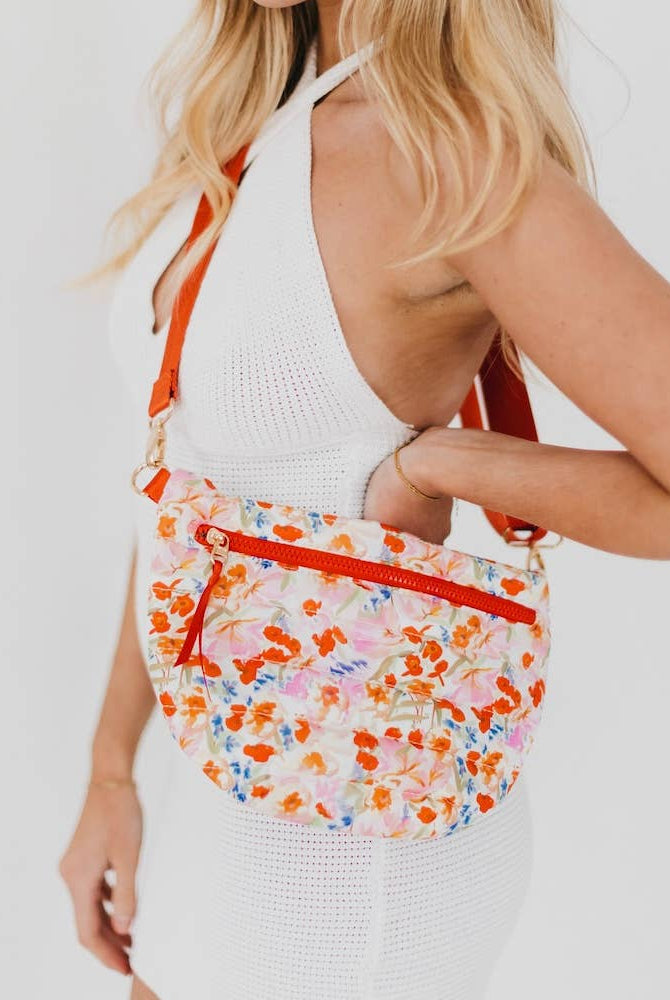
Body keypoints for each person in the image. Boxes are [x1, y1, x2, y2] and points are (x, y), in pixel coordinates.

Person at [59, 2, 670, 998]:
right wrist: (110, 771)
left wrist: (451, 466)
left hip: (358, 841)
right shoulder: (256, 131)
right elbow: (182, 499)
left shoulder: (446, 155)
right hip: (215, 780)